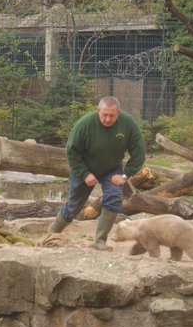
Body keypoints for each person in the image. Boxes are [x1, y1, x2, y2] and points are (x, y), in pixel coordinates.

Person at [48, 96, 146, 250]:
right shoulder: (84, 124)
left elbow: (139, 153)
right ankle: (52, 232)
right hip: (84, 166)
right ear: (98, 110)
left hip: (112, 168)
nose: (107, 119)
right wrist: (85, 173)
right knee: (74, 205)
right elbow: (71, 151)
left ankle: (100, 241)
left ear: (118, 113)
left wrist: (125, 175)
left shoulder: (128, 124)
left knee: (114, 199)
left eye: (112, 116)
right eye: (104, 115)